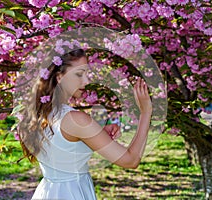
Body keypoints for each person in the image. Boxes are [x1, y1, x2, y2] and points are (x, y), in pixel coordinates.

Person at [18, 49, 152, 200]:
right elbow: (131, 160)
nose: (87, 81)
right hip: (72, 193)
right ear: (59, 77)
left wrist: (96, 134)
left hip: (47, 192)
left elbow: (63, 148)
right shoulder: (76, 120)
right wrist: (145, 113)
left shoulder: (37, 115)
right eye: (79, 74)